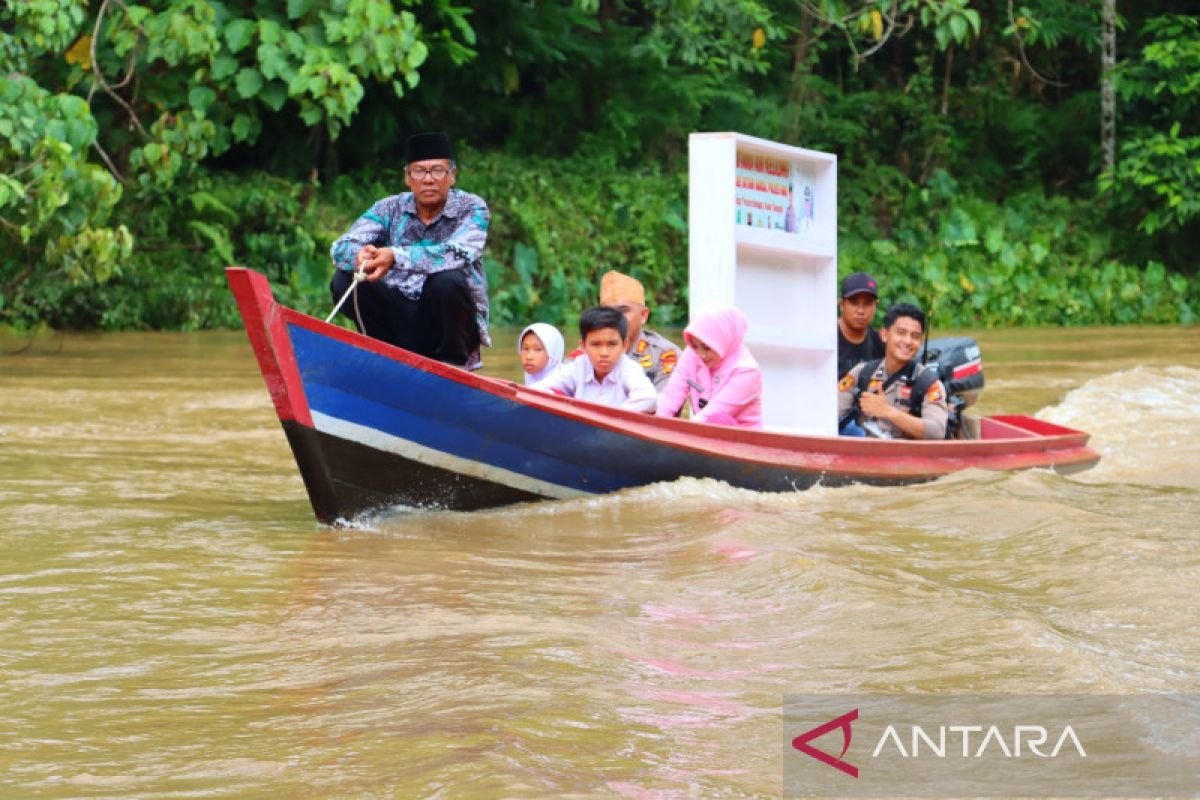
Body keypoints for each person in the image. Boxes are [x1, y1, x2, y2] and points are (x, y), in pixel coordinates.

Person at [329, 132, 490, 369]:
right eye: (419, 171)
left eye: (437, 170)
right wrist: (359, 256)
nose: (428, 179)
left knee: (447, 280)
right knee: (344, 279)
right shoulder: (388, 208)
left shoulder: (472, 208)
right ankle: (382, 354)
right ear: (407, 177)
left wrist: (395, 256)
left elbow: (459, 252)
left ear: (452, 176)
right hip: (398, 317)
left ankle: (453, 366)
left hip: (448, 323)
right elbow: (340, 247)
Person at [837, 302, 949, 439]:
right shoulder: (862, 373)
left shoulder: (928, 383)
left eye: (915, 336)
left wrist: (888, 412)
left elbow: (937, 432)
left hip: (907, 457)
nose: (907, 341)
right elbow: (831, 411)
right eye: (901, 333)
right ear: (884, 335)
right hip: (863, 454)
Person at [532, 306, 657, 412]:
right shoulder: (578, 367)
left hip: (616, 434)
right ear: (583, 346)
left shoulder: (629, 369)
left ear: (625, 345)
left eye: (612, 344)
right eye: (596, 344)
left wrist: (613, 418)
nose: (604, 353)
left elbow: (649, 398)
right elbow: (539, 389)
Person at [656, 304, 762, 428]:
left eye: (707, 347)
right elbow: (672, 393)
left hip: (741, 441)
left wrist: (681, 434)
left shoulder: (748, 372)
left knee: (718, 420)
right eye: (695, 346)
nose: (701, 354)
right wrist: (654, 423)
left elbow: (715, 412)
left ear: (724, 339)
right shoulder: (691, 353)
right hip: (701, 432)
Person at [597, 270, 679, 390]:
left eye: (623, 311)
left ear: (643, 315)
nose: (613, 318)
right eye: (607, 312)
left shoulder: (665, 355)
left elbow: (667, 404)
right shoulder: (589, 348)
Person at [837, 271, 884, 380]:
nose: (861, 311)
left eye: (867, 303)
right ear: (842, 305)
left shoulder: (881, 344)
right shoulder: (827, 339)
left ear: (875, 306)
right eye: (854, 303)